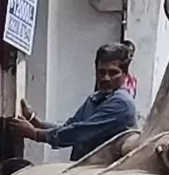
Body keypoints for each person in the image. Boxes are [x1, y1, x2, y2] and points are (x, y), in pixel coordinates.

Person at [7, 42, 140, 160]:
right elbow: (69, 127)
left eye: (113, 73)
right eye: (101, 72)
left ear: (125, 74)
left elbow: (80, 132)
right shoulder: (95, 98)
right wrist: (34, 120)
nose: (106, 78)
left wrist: (35, 134)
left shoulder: (122, 103)